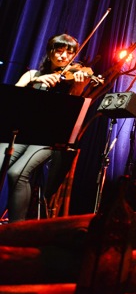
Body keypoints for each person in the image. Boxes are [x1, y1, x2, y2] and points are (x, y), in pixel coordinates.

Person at [0, 33, 95, 222]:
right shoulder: (32, 75)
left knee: (17, 173)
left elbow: (70, 115)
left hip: (47, 139)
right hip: (20, 134)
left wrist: (78, 89)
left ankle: (16, 229)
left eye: (69, 53)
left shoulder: (74, 78)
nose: (64, 56)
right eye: (59, 51)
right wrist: (35, 81)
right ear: (50, 51)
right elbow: (11, 100)